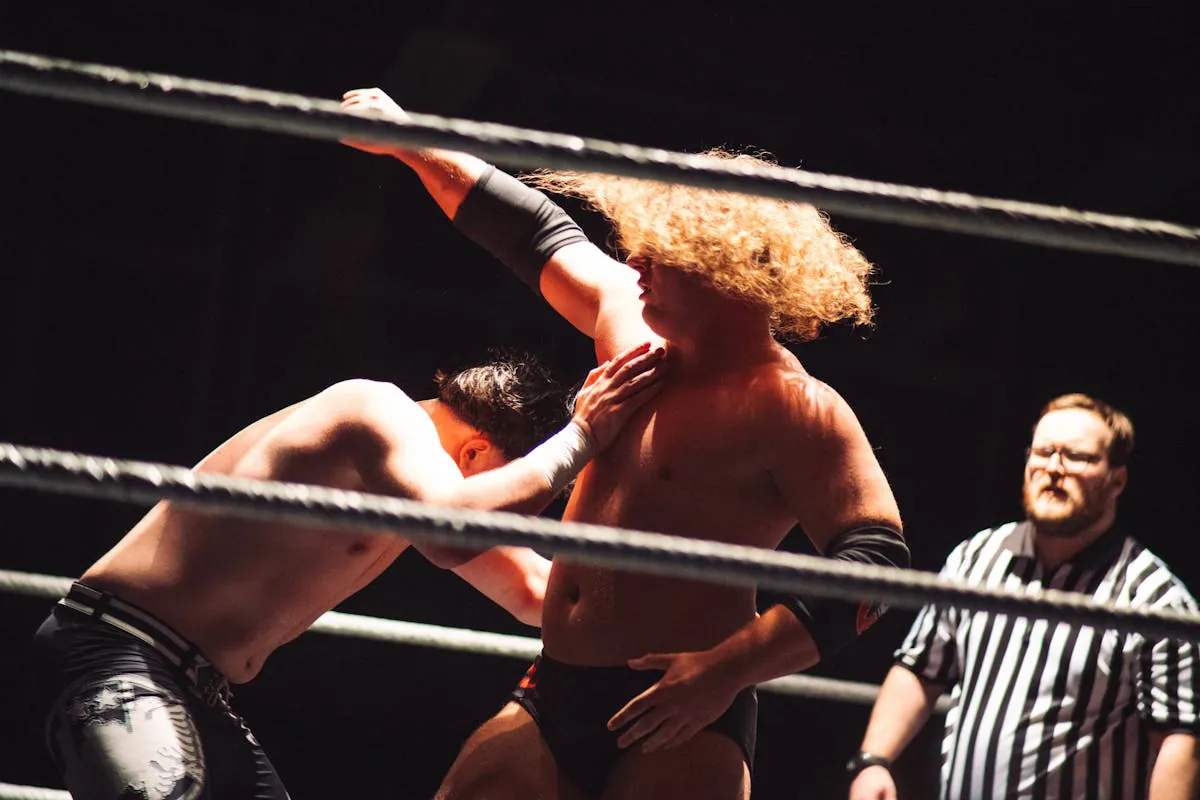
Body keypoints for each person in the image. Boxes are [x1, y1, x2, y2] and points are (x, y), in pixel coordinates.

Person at [341, 88, 910, 800]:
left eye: (660, 254)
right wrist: (411, 140)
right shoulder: (630, 326)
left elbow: (877, 567)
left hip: (679, 707)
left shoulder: (793, 408)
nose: (634, 262)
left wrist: (726, 670)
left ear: (722, 269)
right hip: (552, 684)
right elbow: (533, 233)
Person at [31, 345, 666, 800]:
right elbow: (458, 529)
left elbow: (535, 591)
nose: (517, 513)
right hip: (117, 651)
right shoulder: (375, 411)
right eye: (515, 487)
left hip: (193, 687)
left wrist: (707, 630)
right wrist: (580, 436)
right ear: (476, 452)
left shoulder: (415, 493)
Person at [847, 393, 1200, 800]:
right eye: (1044, 451)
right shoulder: (978, 557)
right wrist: (873, 760)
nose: (1053, 468)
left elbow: (1178, 736)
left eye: (1078, 457)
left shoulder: (1155, 599)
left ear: (1116, 480)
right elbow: (921, 667)